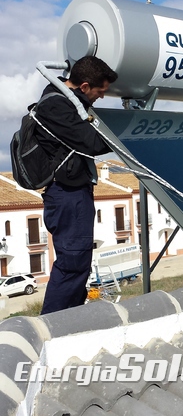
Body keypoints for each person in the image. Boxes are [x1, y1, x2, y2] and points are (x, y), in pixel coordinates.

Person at [38, 56, 118, 315]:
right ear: (84, 87)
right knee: (72, 262)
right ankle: (53, 327)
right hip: (67, 195)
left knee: (79, 261)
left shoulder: (70, 103)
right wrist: (126, 134)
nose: (102, 97)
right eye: (100, 91)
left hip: (75, 194)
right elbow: (92, 143)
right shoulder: (56, 106)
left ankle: (70, 318)